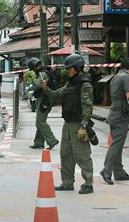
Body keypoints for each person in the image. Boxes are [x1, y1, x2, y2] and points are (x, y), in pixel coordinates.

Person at [39, 54, 96, 194]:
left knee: (82, 154)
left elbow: (87, 105)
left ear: (78, 67)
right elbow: (56, 95)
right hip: (68, 123)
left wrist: (84, 125)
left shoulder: (85, 84)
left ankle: (88, 183)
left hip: (78, 124)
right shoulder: (70, 83)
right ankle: (67, 182)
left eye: (70, 68)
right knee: (66, 154)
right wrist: (45, 88)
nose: (68, 71)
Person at [100, 58, 129, 185]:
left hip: (114, 113)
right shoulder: (126, 78)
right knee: (117, 144)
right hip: (121, 115)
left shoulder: (115, 77)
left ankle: (118, 171)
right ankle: (107, 170)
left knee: (117, 143)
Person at [25, 58, 59, 150]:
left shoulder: (43, 74)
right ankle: (38, 142)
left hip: (45, 99)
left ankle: (52, 140)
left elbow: (35, 86)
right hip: (44, 98)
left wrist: (28, 84)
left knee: (40, 121)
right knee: (39, 121)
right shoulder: (44, 72)